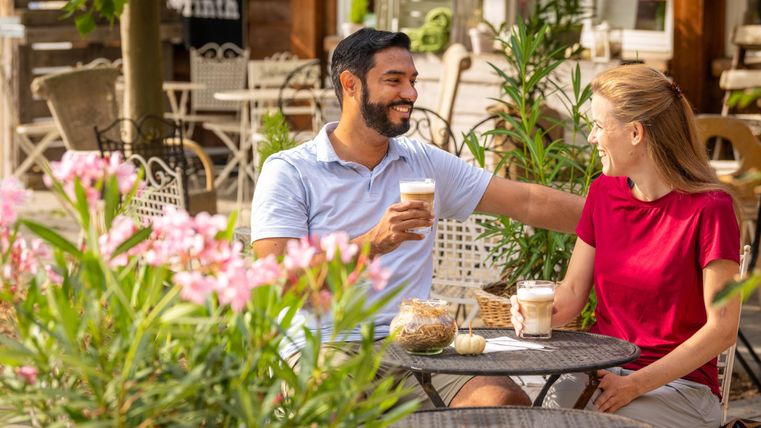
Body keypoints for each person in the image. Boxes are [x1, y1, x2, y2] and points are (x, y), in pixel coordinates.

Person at [251, 27, 583, 409]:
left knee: (502, 402)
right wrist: (371, 244)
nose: (410, 93)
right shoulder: (291, 171)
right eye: (394, 80)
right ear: (351, 84)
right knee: (336, 405)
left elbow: (527, 201)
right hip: (326, 343)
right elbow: (275, 284)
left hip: (418, 341)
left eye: (412, 80)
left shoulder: (421, 161)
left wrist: (629, 213)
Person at [510, 64, 741, 427]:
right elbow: (571, 292)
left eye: (599, 126)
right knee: (510, 400)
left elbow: (723, 329)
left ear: (635, 133)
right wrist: (534, 312)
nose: (590, 137)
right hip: (602, 374)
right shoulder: (603, 193)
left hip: (680, 388)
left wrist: (634, 385)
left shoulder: (711, 209)